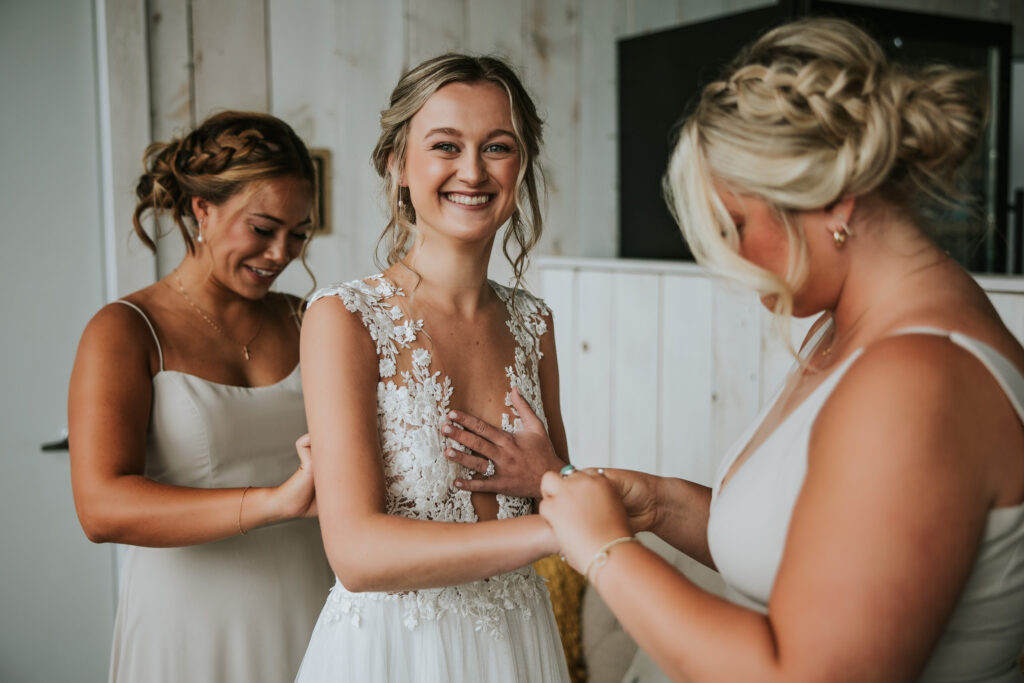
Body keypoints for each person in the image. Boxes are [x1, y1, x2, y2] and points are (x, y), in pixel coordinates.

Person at [450, 18, 1024, 682]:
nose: (734, 260)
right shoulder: (851, 333)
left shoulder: (920, 381)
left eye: (738, 226)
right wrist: (660, 504)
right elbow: (818, 554)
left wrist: (605, 550)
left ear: (835, 202)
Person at [294, 54, 571, 682]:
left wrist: (558, 480)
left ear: (521, 166)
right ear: (397, 162)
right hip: (394, 651)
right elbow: (357, 555)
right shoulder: (343, 318)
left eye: (497, 147)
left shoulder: (535, 324)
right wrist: (558, 530)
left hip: (517, 640)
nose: (472, 171)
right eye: (446, 145)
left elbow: (558, 484)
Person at [68, 111, 333, 682]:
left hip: (316, 605)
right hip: (189, 622)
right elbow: (100, 508)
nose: (282, 252)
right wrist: (274, 502)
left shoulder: (307, 319)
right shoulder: (126, 330)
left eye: (299, 233)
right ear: (202, 210)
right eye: (263, 229)